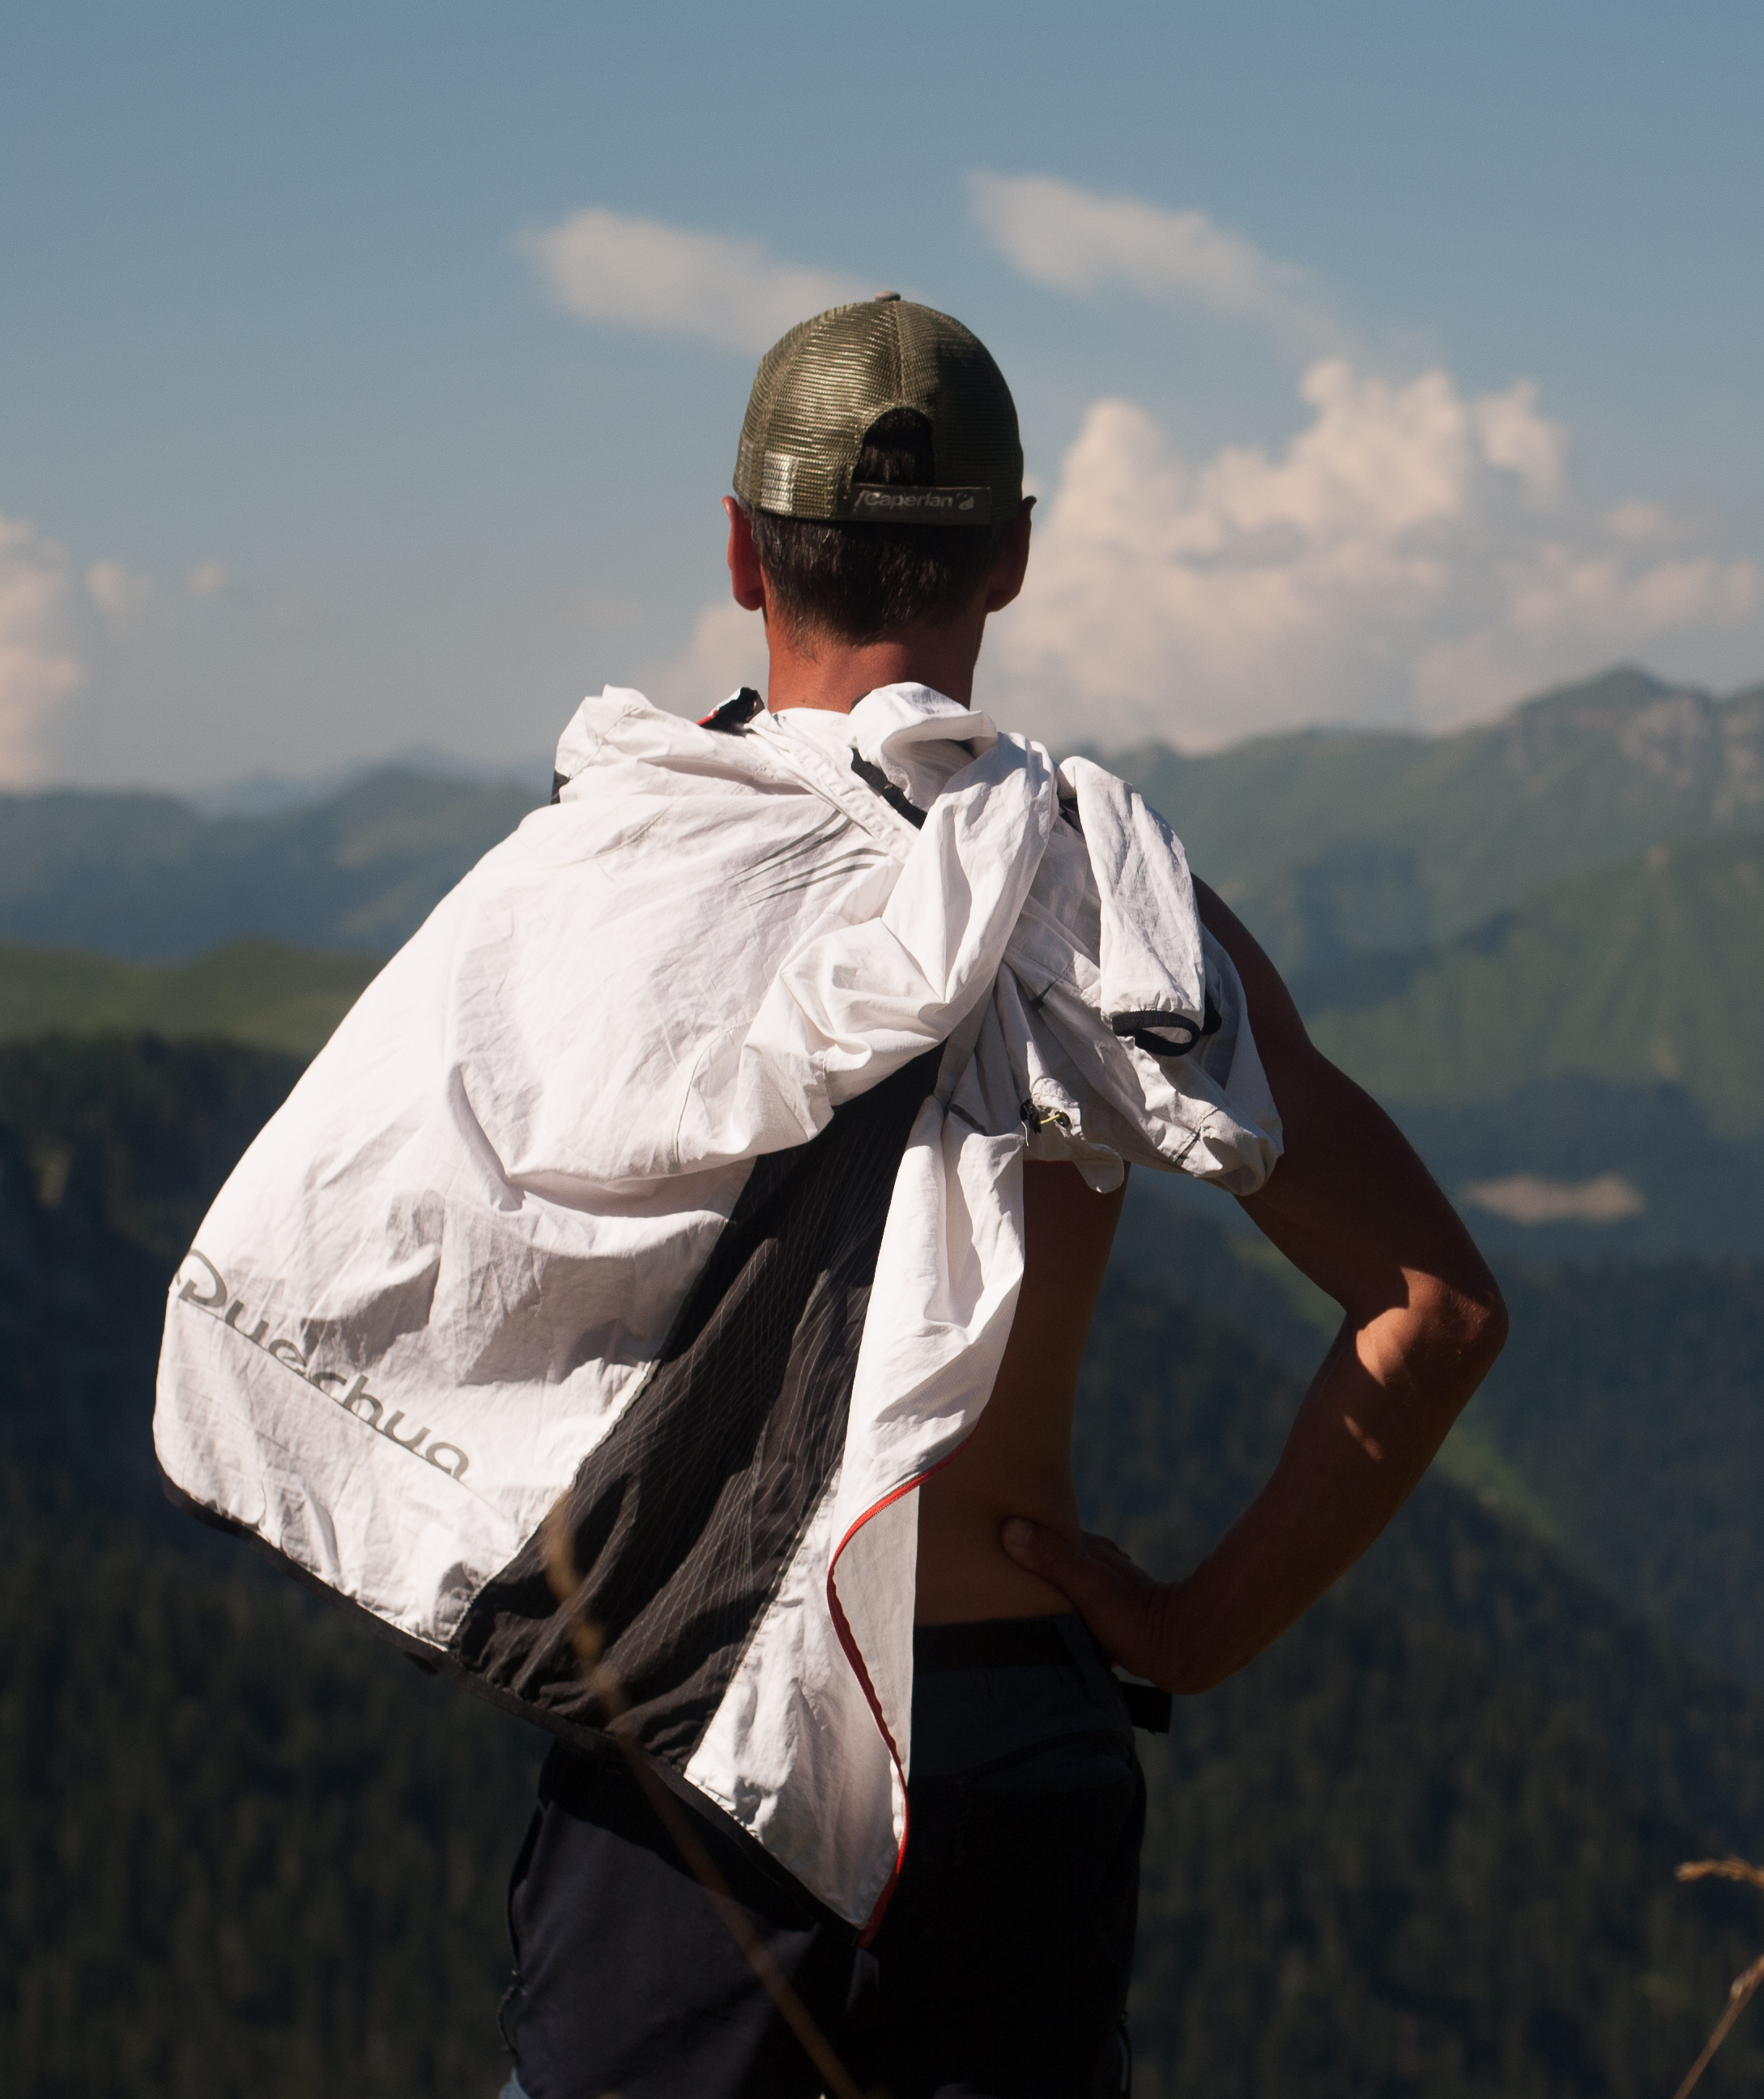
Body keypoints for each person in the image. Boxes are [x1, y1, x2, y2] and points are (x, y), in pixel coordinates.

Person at [153, 297, 1502, 2099]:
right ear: (1010, 559)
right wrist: (1190, 1628)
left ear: (735, 545)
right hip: (1018, 1736)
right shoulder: (1100, 910)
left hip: (689, 1739)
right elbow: (1437, 1308)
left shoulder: (602, 874)